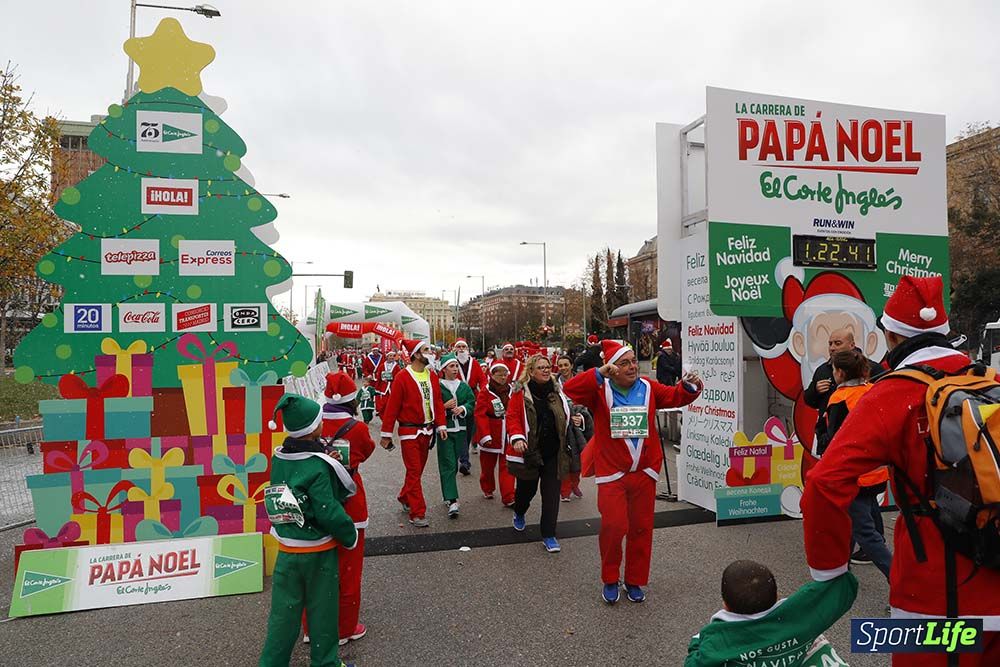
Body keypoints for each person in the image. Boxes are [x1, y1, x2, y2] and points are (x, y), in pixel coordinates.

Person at [802, 275, 1000, 666]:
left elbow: (825, 481)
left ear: (890, 335)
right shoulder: (989, 380)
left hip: (933, 596)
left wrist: (828, 571)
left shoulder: (894, 392)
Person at [563, 339, 702, 604]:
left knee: (641, 528)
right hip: (612, 472)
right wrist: (598, 373)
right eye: (624, 363)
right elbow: (570, 388)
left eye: (633, 361)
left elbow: (675, 396)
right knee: (614, 527)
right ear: (612, 368)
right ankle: (610, 577)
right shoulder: (600, 390)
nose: (632, 367)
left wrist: (689, 386)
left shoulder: (648, 387)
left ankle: (635, 580)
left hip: (644, 471)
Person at [259, 393, 359, 667]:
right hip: (318, 552)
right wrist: (349, 534)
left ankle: (271, 663)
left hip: (287, 548)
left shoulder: (280, 458)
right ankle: (326, 662)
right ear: (313, 428)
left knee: (283, 615)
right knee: (322, 610)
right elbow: (327, 509)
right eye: (319, 421)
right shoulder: (317, 465)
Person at [684, 560, 855, 667]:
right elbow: (842, 586)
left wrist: (697, 641)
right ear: (777, 595)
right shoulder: (802, 612)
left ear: (725, 603)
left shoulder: (717, 639)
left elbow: (693, 662)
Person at [813, 348, 892, 579]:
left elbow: (835, 441)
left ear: (839, 373)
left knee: (864, 532)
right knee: (849, 523)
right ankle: (839, 573)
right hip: (876, 472)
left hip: (854, 475)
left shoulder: (840, 399)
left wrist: (820, 431)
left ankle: (899, 580)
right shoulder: (872, 391)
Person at [318, 371, 376, 648]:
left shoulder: (312, 423)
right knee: (349, 569)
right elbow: (367, 450)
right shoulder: (358, 428)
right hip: (349, 500)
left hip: (317, 499)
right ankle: (345, 628)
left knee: (316, 568)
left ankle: (311, 627)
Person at [506, 354, 572, 553]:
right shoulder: (520, 392)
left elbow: (566, 412)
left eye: (547, 367)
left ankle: (549, 535)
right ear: (531, 371)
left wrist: (576, 418)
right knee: (526, 491)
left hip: (553, 452)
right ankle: (519, 511)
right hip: (531, 451)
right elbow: (512, 417)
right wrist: (517, 438)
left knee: (551, 495)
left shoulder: (557, 391)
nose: (545, 370)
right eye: (541, 367)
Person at [379, 339, 447, 528]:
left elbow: (438, 402)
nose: (430, 353)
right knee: (415, 470)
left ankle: (404, 496)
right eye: (426, 350)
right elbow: (392, 407)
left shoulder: (432, 375)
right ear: (416, 354)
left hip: (428, 430)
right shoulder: (402, 376)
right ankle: (417, 513)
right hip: (409, 431)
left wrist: (441, 425)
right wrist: (386, 434)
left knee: (416, 471)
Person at [803, 327, 883, 447]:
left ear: (852, 345)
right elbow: (809, 400)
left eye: (838, 343)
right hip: (837, 442)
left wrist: (821, 428)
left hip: (857, 441)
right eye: (830, 343)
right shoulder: (823, 370)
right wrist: (815, 390)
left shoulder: (873, 369)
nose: (832, 348)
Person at [437, 353, 476, 518]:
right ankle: (452, 500)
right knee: (448, 463)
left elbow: (472, 402)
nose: (455, 369)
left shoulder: (464, 386)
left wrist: (463, 408)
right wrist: (444, 406)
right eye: (451, 366)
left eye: (456, 366)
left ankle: (448, 493)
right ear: (444, 369)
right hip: (444, 430)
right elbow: (431, 405)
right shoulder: (437, 386)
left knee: (455, 463)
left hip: (461, 430)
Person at [474, 361, 516, 506]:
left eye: (505, 375)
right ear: (492, 375)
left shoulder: (512, 390)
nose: (503, 377)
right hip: (491, 432)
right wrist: (485, 435)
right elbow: (480, 414)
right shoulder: (485, 391)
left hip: (508, 432)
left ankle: (508, 496)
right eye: (499, 375)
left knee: (507, 465)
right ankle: (487, 487)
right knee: (487, 466)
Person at [453, 338, 485, 474]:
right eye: (459, 347)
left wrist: (483, 395)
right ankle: (464, 462)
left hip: (472, 398)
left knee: (470, 429)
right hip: (456, 397)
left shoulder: (475, 364)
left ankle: (465, 453)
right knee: (462, 430)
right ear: (455, 349)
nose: (461, 349)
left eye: (463, 347)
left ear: (467, 349)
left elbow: (483, 380)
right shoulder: (451, 362)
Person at [371, 349, 402, 418]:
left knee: (392, 403)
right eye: (390, 356)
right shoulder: (382, 366)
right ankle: (382, 416)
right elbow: (379, 378)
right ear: (387, 357)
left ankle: (391, 416)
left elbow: (399, 377)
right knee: (384, 403)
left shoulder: (397, 366)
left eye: (393, 356)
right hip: (384, 388)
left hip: (392, 387)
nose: (391, 357)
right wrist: (377, 388)